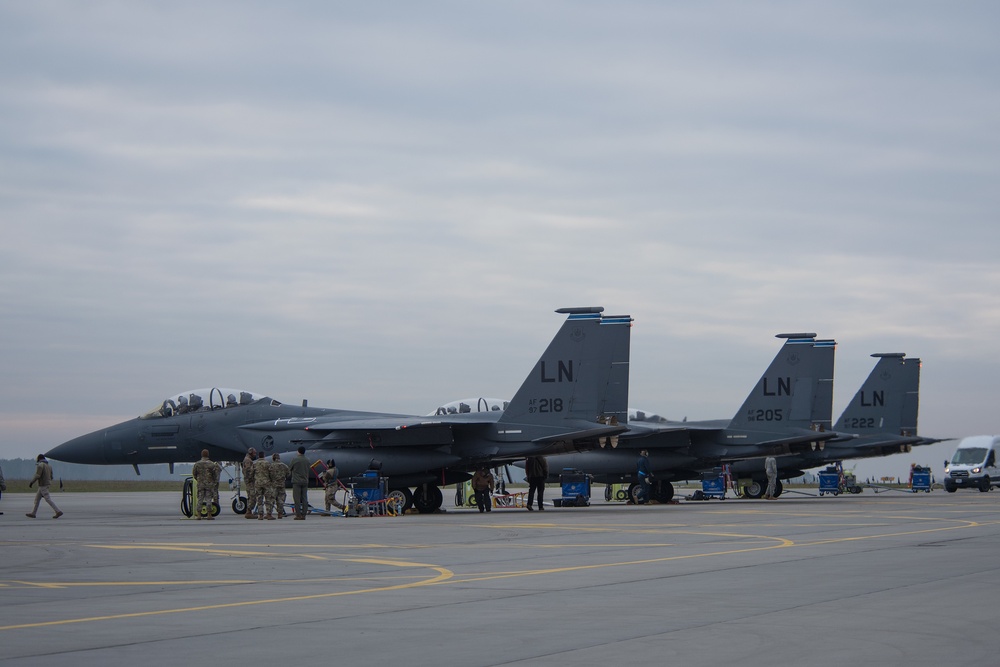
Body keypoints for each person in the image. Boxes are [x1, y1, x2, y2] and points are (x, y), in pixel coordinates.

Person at [27, 454, 62, 519]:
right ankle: (33, 513)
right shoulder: (49, 466)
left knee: (48, 499)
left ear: (39, 458)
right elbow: (51, 477)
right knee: (37, 500)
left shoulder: (40, 465)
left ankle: (58, 511)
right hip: (45, 485)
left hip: (43, 485)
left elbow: (37, 475)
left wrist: (31, 482)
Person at [191, 449, 221, 519]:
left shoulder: (197, 464)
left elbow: (194, 473)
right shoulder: (211, 464)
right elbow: (215, 474)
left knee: (200, 499)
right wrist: (213, 482)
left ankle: (198, 515)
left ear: (201, 455)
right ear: (208, 455)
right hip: (209, 484)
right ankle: (209, 515)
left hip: (200, 484)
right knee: (208, 499)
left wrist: (198, 480)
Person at [288, 446, 311, 520]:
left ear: (298, 451)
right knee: (304, 498)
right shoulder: (307, 460)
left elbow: (290, 468)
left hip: (296, 481)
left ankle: (298, 515)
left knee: (297, 499)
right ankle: (304, 514)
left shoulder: (295, 459)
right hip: (305, 481)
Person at [269, 453, 290, 519]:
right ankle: (280, 514)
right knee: (281, 499)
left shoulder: (271, 466)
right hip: (281, 484)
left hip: (274, 485)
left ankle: (269, 513)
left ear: (273, 458)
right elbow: (288, 474)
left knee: (272, 499)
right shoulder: (284, 466)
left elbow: (268, 475)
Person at [253, 453, 273, 519]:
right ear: (264, 456)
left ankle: (260, 515)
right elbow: (271, 472)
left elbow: (251, 473)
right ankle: (269, 514)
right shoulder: (267, 463)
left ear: (258, 456)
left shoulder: (255, 464)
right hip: (266, 483)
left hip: (258, 483)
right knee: (268, 499)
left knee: (259, 499)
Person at [241, 448, 258, 519]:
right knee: (252, 496)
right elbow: (248, 472)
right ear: (251, 453)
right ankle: (248, 511)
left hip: (249, 481)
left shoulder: (247, 459)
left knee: (250, 496)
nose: (255, 454)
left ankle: (249, 512)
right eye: (254, 453)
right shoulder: (248, 460)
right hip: (250, 481)